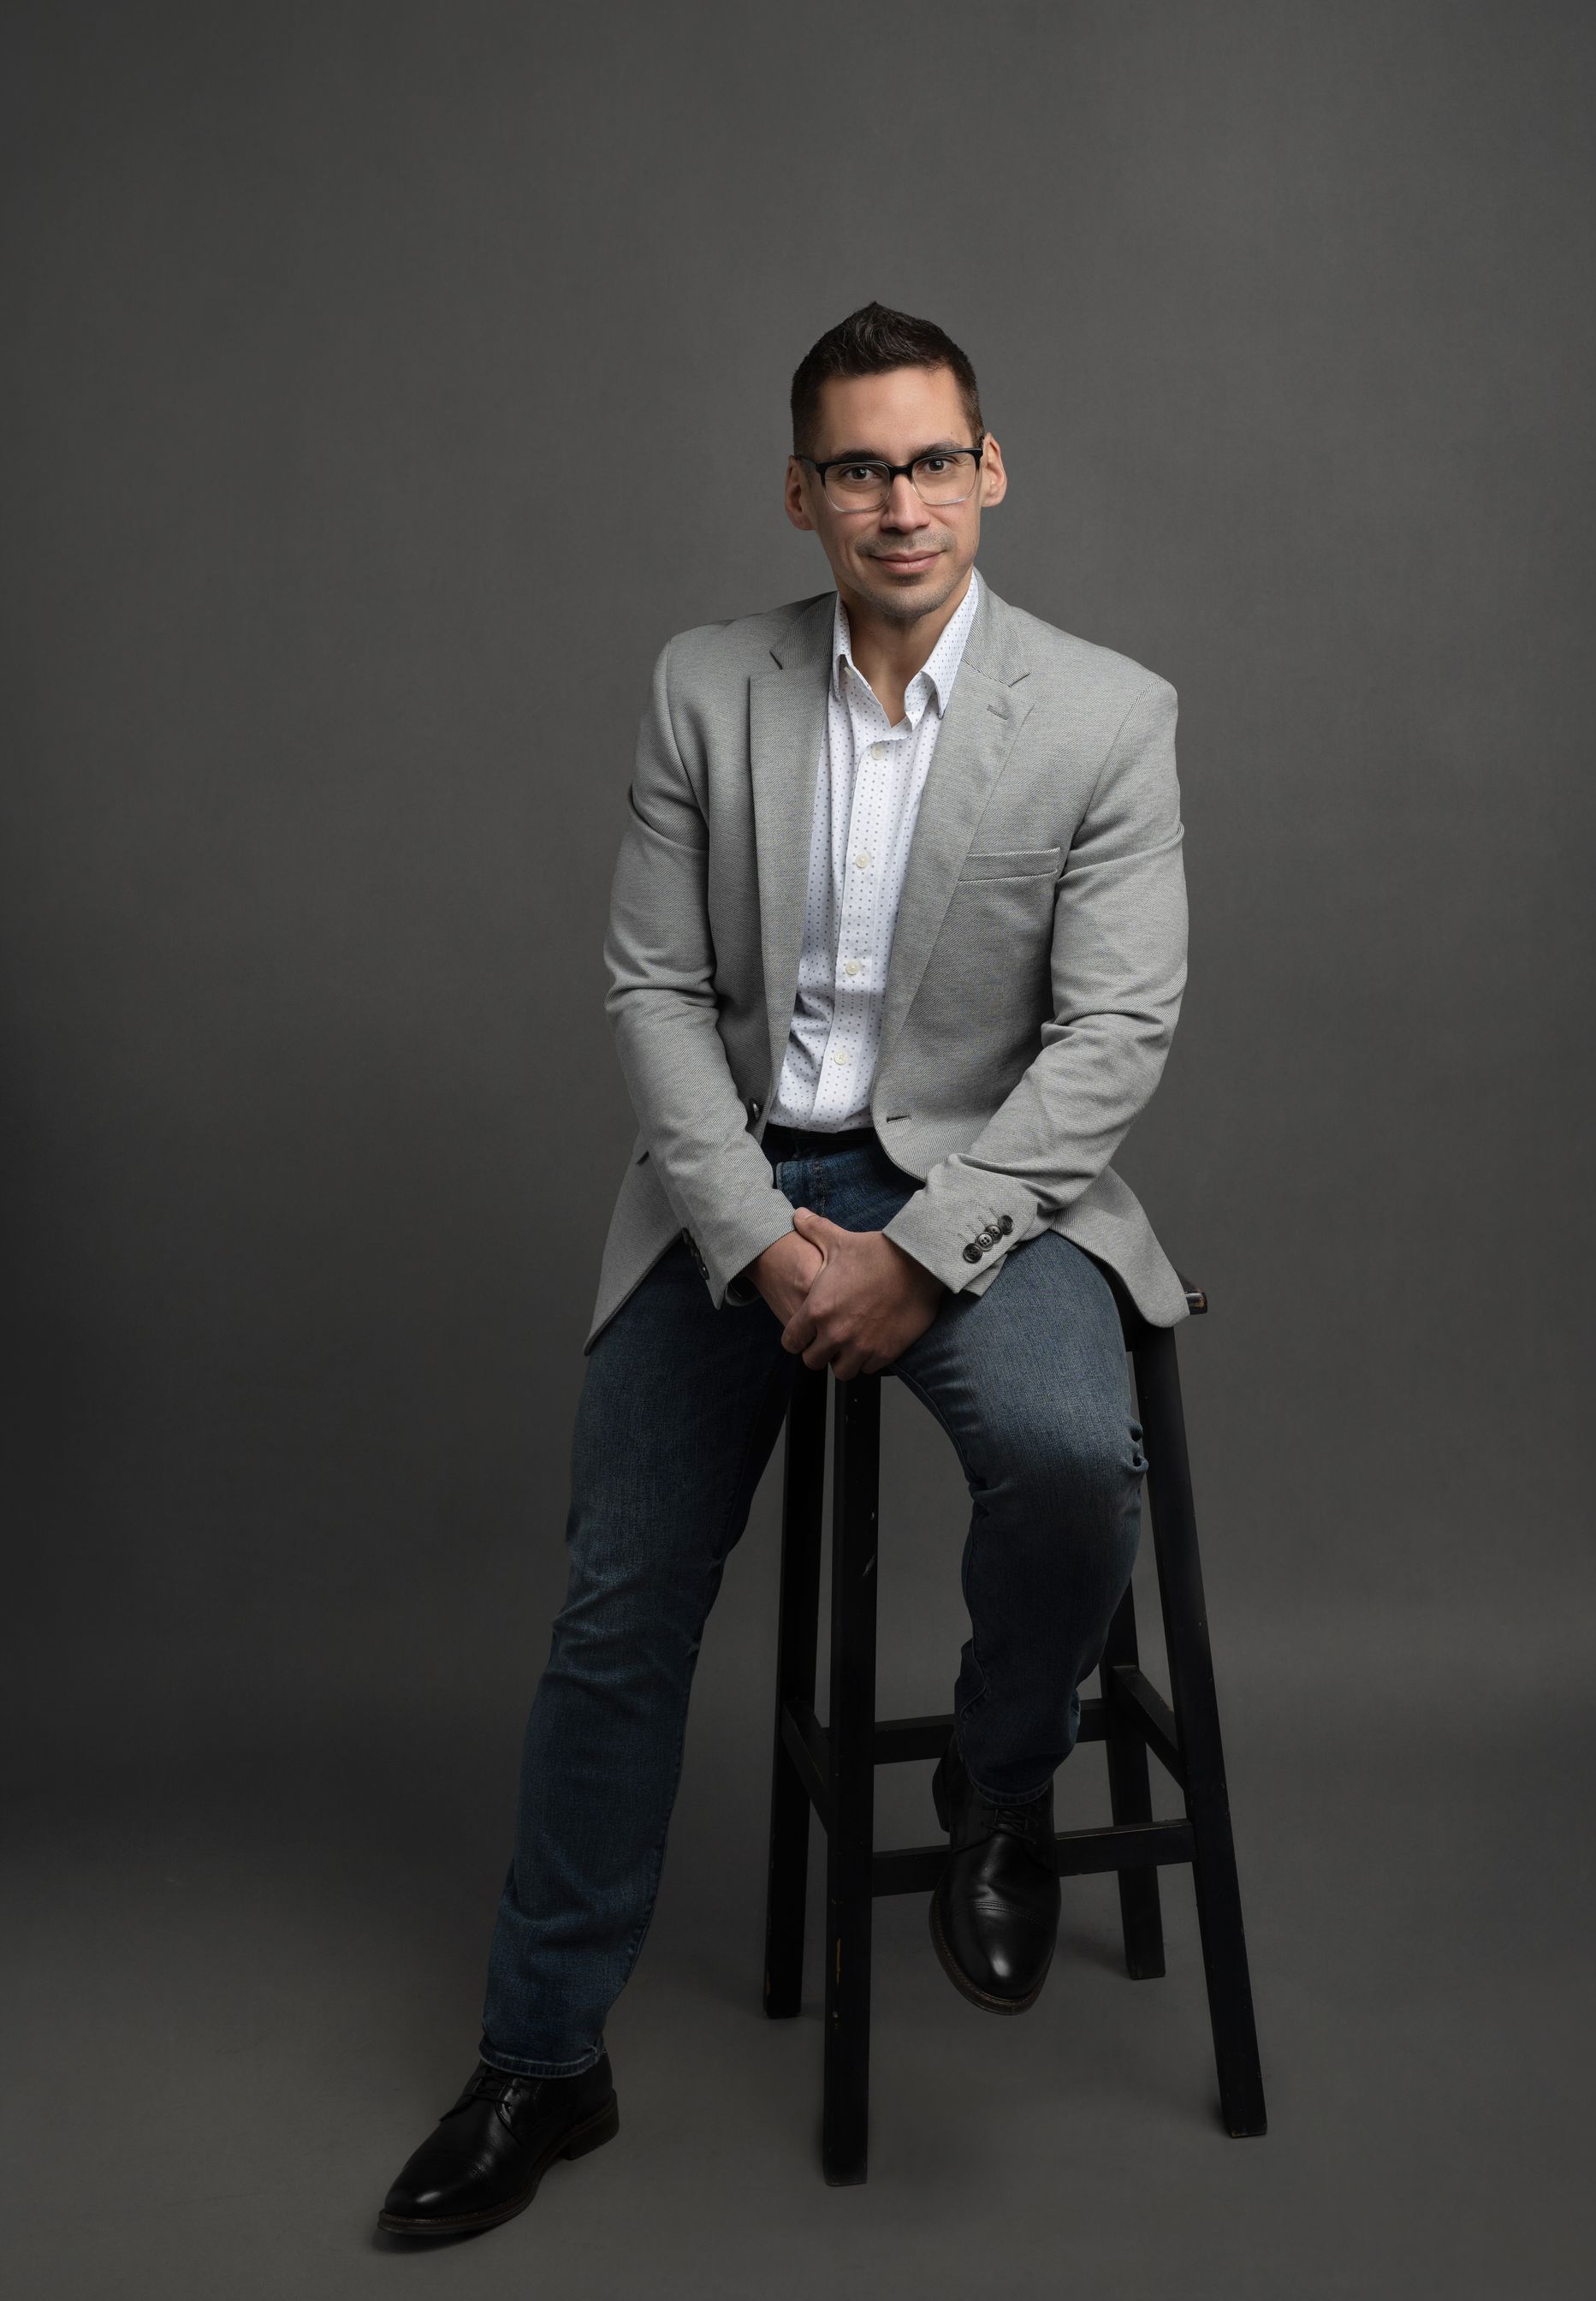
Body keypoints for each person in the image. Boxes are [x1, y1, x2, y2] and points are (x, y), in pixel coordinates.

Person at [378, 300, 1190, 2238]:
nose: (899, 502)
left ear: (987, 471)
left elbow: (1115, 1035)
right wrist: (757, 1244)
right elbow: (653, 989)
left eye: (932, 461)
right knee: (619, 1601)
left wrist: (921, 1253)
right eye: (858, 468)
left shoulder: (1105, 712)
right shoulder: (702, 687)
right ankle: (543, 2057)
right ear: (802, 493)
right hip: (733, 1184)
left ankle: (1002, 1780)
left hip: (994, 1189)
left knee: (1079, 1462)